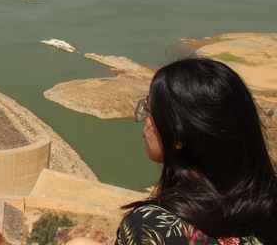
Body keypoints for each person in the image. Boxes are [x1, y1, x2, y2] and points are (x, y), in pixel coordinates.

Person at [70, 57, 277, 245]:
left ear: (177, 136)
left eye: (149, 112)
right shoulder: (266, 201)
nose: (144, 122)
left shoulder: (153, 226)